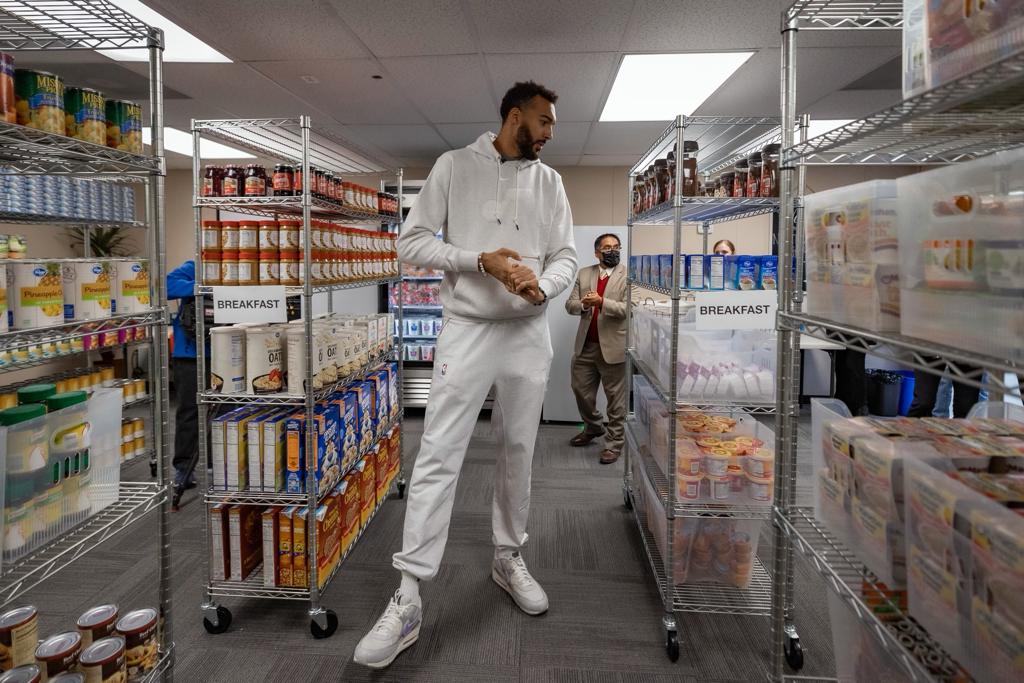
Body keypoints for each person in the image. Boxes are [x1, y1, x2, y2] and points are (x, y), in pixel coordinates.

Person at [353, 81, 577, 669]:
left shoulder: (550, 182)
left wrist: (541, 287)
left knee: (520, 451)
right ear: (513, 117)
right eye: (544, 120)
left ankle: (508, 557)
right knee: (438, 454)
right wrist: (477, 260)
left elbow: (567, 257)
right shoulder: (454, 167)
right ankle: (408, 596)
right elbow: (412, 242)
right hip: (468, 330)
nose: (551, 132)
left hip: (528, 331)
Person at [565, 233, 628, 464]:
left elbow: (629, 309)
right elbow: (569, 304)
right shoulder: (584, 273)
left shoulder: (628, 275)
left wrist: (602, 302)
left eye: (616, 247)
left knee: (616, 400)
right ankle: (593, 427)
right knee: (580, 391)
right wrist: (584, 304)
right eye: (607, 247)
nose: (613, 250)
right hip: (586, 346)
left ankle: (614, 444)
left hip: (614, 347)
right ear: (597, 252)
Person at [167, 260, 200, 509]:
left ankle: (224, 468)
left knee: (230, 410)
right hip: (189, 354)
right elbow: (165, 286)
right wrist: (204, 286)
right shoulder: (194, 266)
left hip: (229, 352)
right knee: (189, 411)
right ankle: (184, 470)